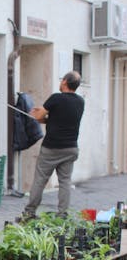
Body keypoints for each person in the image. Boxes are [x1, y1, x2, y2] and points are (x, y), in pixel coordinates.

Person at [21, 71, 85, 220]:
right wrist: (46, 117)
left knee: (40, 179)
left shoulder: (56, 98)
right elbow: (58, 120)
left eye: (62, 79)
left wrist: (38, 114)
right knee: (65, 182)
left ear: (64, 82)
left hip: (52, 148)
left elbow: (37, 117)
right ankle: (62, 214)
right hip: (71, 148)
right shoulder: (80, 101)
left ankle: (29, 212)